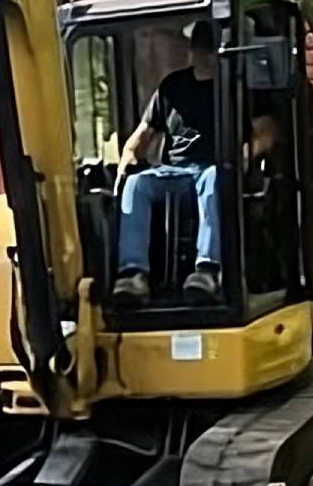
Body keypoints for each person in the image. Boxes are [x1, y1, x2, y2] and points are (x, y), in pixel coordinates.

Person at [111, 18, 279, 305]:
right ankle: (133, 274)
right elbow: (142, 135)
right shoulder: (172, 87)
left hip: (214, 168)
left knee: (215, 177)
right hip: (173, 172)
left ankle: (207, 271)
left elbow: (267, 130)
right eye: (200, 50)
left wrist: (245, 155)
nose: (203, 56)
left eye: (210, 51)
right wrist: (127, 160)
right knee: (138, 183)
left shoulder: (237, 88)